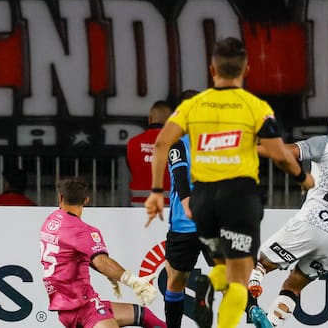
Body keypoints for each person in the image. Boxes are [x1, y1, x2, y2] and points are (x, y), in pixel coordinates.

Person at [145, 37, 313, 328]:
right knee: (239, 276)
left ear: (212, 69)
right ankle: (213, 287)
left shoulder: (194, 107)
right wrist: (303, 177)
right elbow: (279, 155)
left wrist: (156, 192)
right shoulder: (254, 106)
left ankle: (209, 285)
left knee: (201, 272)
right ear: (247, 69)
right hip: (237, 201)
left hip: (202, 205)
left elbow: (161, 144)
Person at [247, 106, 328, 327]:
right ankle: (271, 322)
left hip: (313, 221)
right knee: (293, 287)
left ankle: (254, 290)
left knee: (260, 263)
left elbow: (286, 152)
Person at [40, 175, 167, 328]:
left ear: (60, 197)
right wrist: (133, 281)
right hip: (83, 306)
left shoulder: (50, 222)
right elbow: (101, 261)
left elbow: (81, 257)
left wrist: (110, 275)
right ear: (86, 200)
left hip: (66, 306)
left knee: (144, 314)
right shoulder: (83, 231)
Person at [160, 90, 214, 328]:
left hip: (184, 223)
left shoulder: (178, 144)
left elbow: (180, 176)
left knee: (175, 281)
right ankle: (212, 291)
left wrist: (186, 204)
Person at [126, 100, 172, 207]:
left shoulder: (132, 143)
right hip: (168, 209)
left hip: (138, 209)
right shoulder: (177, 144)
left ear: (150, 119)